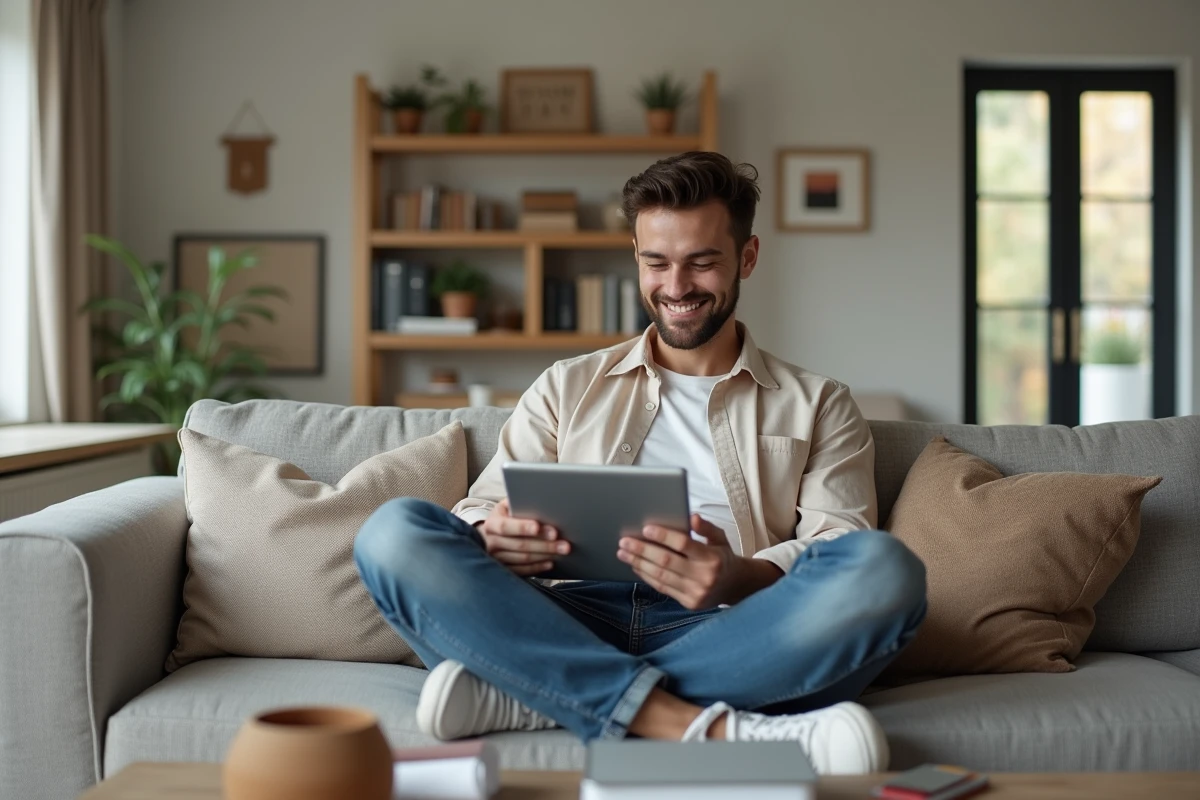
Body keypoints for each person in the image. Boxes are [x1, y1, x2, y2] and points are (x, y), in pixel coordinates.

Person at [354, 152, 926, 775]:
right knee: (394, 533)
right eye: (656, 262)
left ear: (748, 257)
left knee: (887, 571)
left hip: (729, 628)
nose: (676, 287)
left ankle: (533, 693)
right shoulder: (565, 386)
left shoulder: (818, 403)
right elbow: (477, 511)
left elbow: (839, 543)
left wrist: (736, 577)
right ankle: (686, 724)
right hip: (561, 613)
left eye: (702, 262)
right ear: (636, 257)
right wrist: (494, 538)